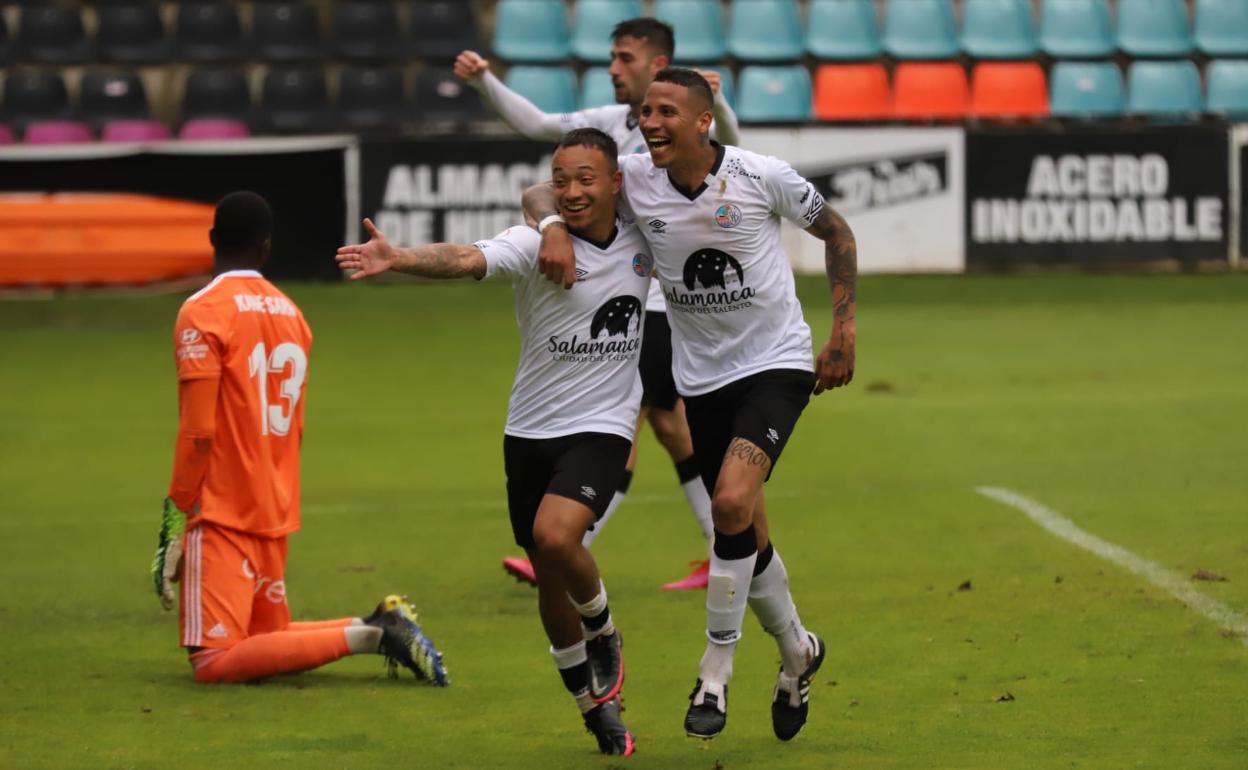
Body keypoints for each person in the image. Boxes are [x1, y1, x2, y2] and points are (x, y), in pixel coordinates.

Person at [522, 69, 858, 743]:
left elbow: (838, 233)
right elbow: (540, 190)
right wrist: (556, 223)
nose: (648, 121)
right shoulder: (638, 181)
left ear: (704, 120)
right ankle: (797, 652)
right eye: (645, 111)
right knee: (747, 533)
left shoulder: (763, 175)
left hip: (776, 365)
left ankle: (715, 671)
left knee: (730, 504)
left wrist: (843, 329)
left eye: (665, 111)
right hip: (701, 378)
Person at [336, 129, 644, 757]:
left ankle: (604, 629)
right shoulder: (534, 242)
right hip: (529, 431)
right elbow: (467, 258)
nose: (573, 191)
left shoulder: (647, 237)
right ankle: (593, 710)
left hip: (604, 425)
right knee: (549, 574)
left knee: (558, 539)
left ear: (616, 181)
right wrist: (399, 259)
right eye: (563, 180)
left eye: (587, 178)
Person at [455, 17, 739, 590]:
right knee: (652, 423)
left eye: (625, 58)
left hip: (652, 299)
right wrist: (486, 81)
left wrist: (720, 102)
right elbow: (536, 128)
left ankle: (571, 543)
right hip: (630, 298)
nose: (613, 68)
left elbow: (728, 150)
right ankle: (707, 545)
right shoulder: (608, 126)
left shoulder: (680, 132)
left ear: (658, 66)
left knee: (635, 421)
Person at [150, 191, 448, 686]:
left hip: (222, 511)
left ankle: (372, 636)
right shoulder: (293, 314)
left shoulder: (202, 312)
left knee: (214, 660)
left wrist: (173, 519)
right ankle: (379, 624)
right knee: (269, 639)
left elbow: (200, 433)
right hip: (274, 504)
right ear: (265, 248)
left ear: (211, 241)